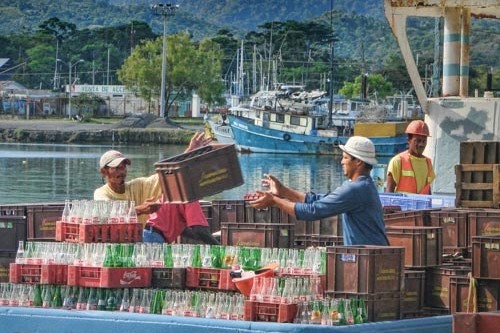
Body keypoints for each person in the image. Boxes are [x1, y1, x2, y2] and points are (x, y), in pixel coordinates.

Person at [249, 136, 389, 246]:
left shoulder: (356, 189)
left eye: (345, 157)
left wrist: (274, 200)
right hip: (371, 254)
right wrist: (284, 191)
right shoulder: (361, 185)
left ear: (358, 162)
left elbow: (313, 211)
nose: (341, 162)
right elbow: (319, 200)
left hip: (370, 257)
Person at [94, 131, 219, 245]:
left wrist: (189, 152)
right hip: (117, 244)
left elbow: (168, 174)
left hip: (142, 240)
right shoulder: (101, 193)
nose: (122, 172)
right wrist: (140, 209)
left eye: (123, 167)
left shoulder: (137, 186)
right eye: (116, 168)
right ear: (104, 171)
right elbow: (108, 214)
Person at [386, 120, 435, 194]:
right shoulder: (398, 161)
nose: (421, 144)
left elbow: (428, 191)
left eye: (424, 141)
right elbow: (389, 193)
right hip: (402, 205)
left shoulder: (428, 163)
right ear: (409, 140)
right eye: (417, 141)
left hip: (422, 205)